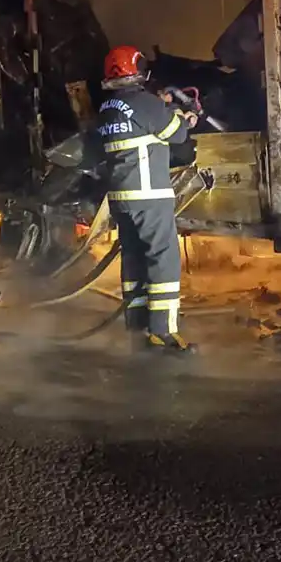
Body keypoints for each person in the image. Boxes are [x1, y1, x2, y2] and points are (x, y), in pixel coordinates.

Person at [93, 45, 199, 353]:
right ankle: (164, 331)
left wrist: (161, 105)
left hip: (121, 199)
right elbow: (177, 134)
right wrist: (183, 116)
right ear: (138, 69)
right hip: (149, 195)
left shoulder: (106, 107)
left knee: (134, 258)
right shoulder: (146, 103)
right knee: (163, 258)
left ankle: (137, 325)